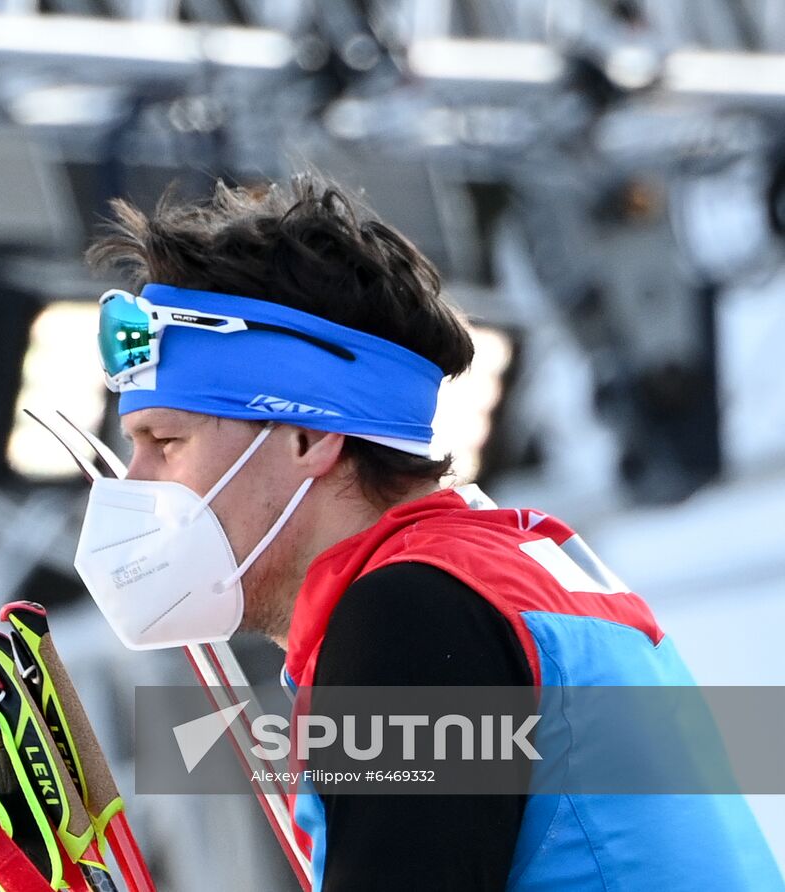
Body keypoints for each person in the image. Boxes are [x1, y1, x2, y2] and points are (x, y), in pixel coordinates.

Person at [78, 174, 783, 890]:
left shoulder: (412, 613)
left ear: (300, 437)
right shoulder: (503, 568)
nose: (136, 481)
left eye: (165, 439)